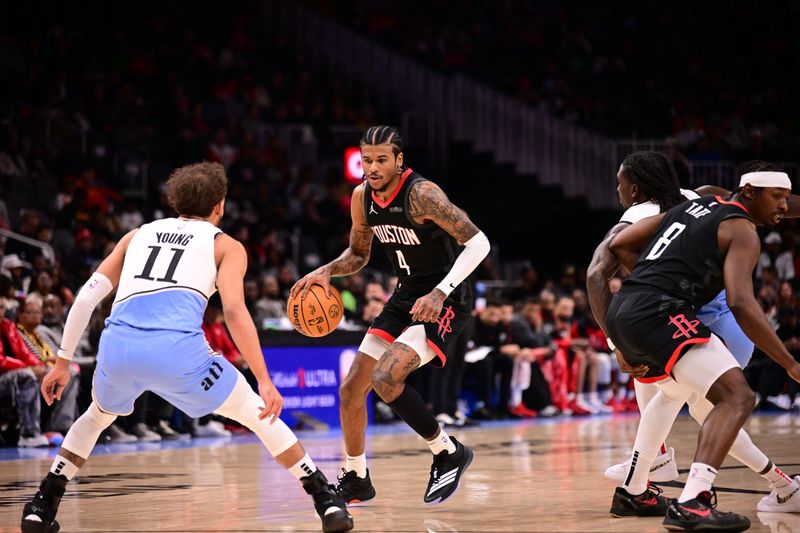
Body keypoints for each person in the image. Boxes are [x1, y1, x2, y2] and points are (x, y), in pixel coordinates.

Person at [20, 162, 353, 533]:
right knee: (258, 411)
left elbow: (86, 298)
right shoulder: (226, 245)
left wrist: (62, 362)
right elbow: (234, 312)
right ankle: (325, 498)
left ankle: (42, 505)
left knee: (97, 416)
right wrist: (264, 378)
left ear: (174, 201)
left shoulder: (136, 235)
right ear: (220, 206)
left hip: (117, 348)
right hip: (176, 352)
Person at [587, 155, 800, 516]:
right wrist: (791, 364)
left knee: (683, 400)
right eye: (776, 197)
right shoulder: (702, 198)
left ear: (634, 187)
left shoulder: (688, 205)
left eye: (619, 184)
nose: (781, 205)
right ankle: (688, 490)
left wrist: (641, 288)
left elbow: (600, 271)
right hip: (686, 315)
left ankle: (644, 478)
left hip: (651, 313)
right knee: (714, 403)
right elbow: (742, 301)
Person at [291, 125, 490, 505]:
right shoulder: (361, 197)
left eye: (382, 159)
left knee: (386, 377)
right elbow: (359, 255)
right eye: (367, 160)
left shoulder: (422, 194)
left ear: (400, 160)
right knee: (352, 390)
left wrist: (440, 291)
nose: (373, 167)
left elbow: (479, 242)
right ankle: (356, 477)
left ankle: (447, 451)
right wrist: (325, 271)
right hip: (406, 295)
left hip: (445, 296)